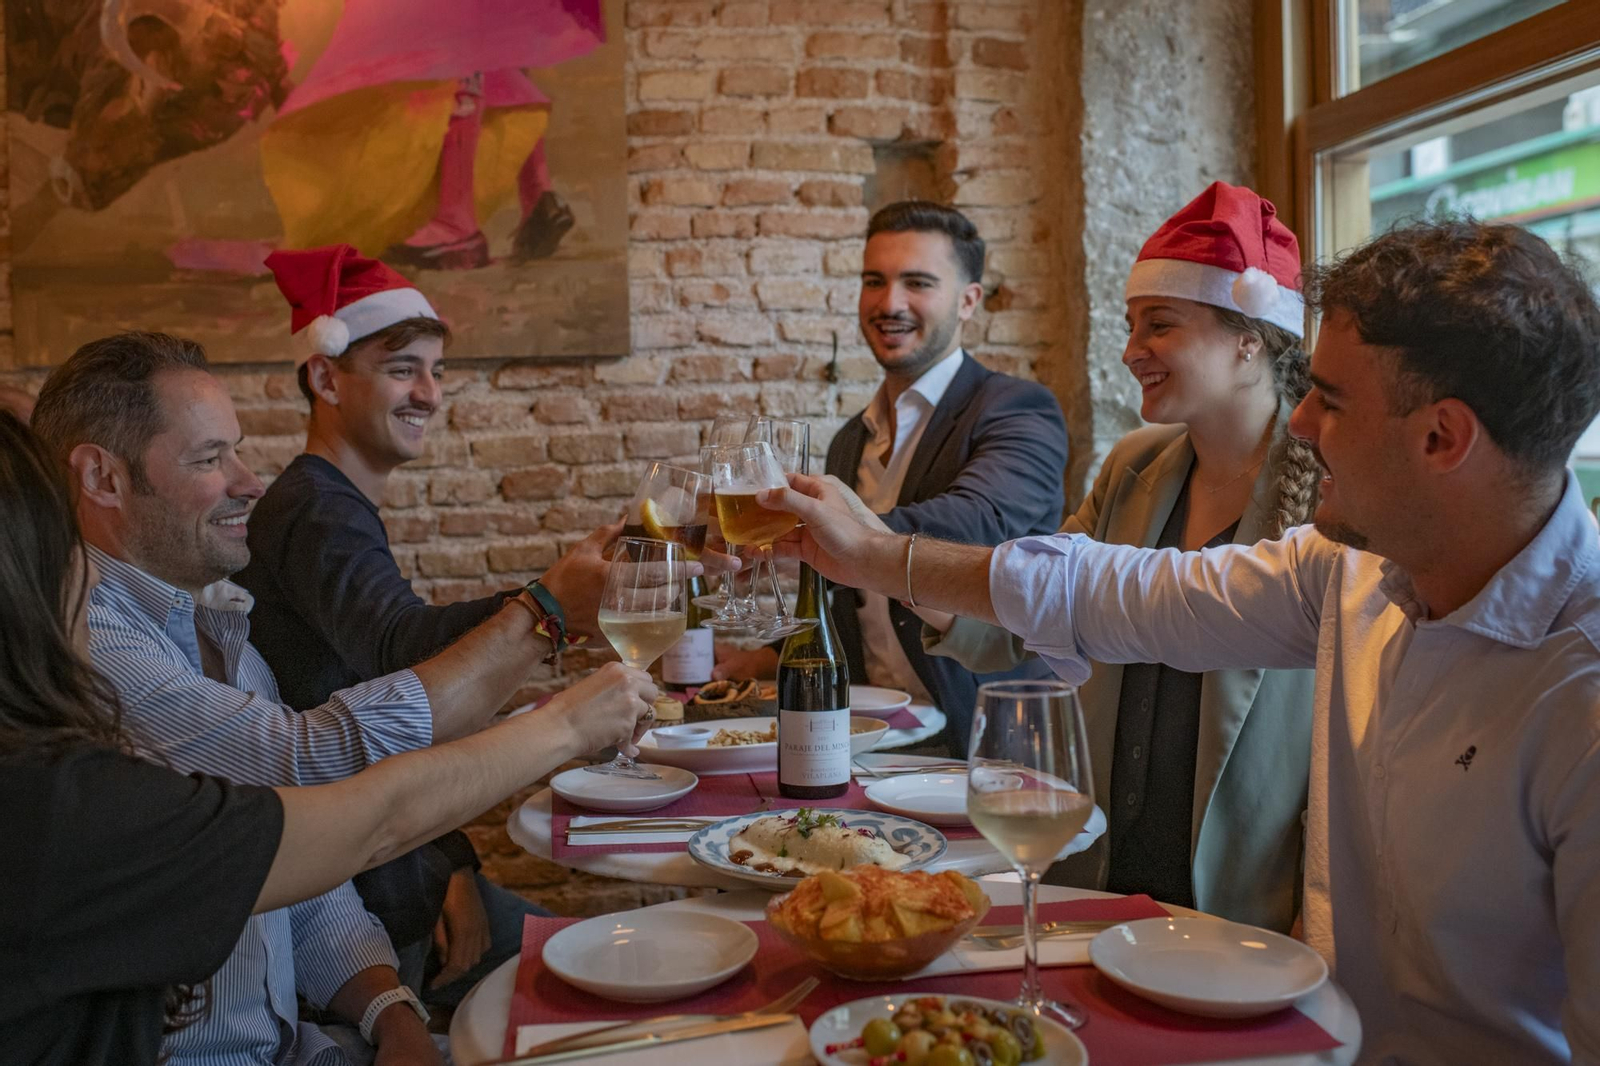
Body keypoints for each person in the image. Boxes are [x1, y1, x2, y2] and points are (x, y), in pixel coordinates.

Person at [763, 219, 1600, 1063]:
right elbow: (1116, 590)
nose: (1301, 420)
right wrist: (873, 554)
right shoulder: (1349, 572)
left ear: (1442, 438)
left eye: (1332, 399)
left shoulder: (1581, 693)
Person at [28, 331, 653, 1065]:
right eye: (210, 459)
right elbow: (313, 759)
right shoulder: (90, 641)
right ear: (101, 476)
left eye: (236, 450)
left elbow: (297, 857)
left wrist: (391, 1007)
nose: (249, 480)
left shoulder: (219, 619)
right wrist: (547, 632)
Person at [918, 183, 1318, 931]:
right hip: (1103, 874)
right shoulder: (1133, 465)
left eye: (1159, 325)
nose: (1132, 351)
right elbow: (1026, 615)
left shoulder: (1333, 494)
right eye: (1131, 325)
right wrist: (905, 574)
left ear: (1251, 338)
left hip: (1248, 902)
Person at [234, 244, 612, 1008]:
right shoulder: (315, 507)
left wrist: (456, 862)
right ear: (324, 375)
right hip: (356, 905)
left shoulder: (331, 505)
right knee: (602, 979)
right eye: (405, 367)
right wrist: (551, 604)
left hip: (404, 866)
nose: (431, 394)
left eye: (437, 371)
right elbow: (402, 655)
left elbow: (385, 698)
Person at [715, 200, 1069, 750]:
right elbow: (852, 610)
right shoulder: (848, 442)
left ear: (969, 300)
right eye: (874, 281)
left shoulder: (1018, 408)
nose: (889, 303)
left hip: (985, 737)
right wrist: (761, 658)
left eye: (918, 282)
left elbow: (978, 524)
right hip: (874, 738)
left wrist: (829, 532)